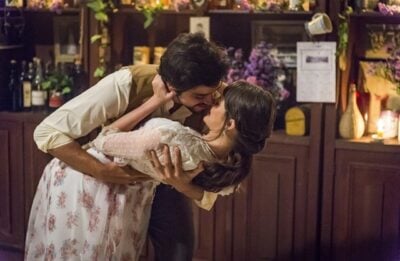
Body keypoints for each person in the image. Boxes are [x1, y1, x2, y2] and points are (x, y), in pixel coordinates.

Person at [31, 32, 229, 261]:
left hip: (160, 181)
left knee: (180, 251)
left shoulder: (212, 91)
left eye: (213, 93)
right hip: (96, 179)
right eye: (200, 96)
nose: (209, 102)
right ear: (172, 86)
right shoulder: (126, 83)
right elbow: (47, 132)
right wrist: (102, 171)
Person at [25, 81, 276, 260]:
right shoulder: (230, 166)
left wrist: (154, 103)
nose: (211, 100)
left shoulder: (172, 135)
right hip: (89, 175)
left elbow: (104, 139)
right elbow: (48, 133)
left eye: (218, 100)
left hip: (109, 188)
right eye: (213, 94)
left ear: (230, 123)